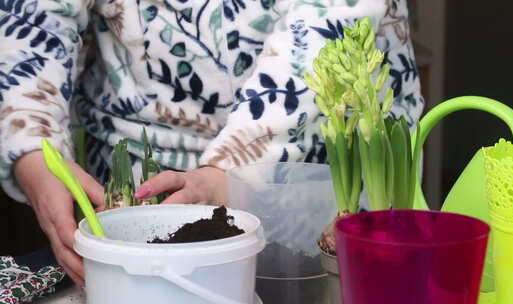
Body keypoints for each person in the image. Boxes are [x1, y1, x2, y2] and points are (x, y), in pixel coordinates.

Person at [0, 0, 423, 286]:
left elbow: (326, 26)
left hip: (318, 164)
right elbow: (33, 21)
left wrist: (229, 174)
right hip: (140, 170)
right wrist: (32, 149)